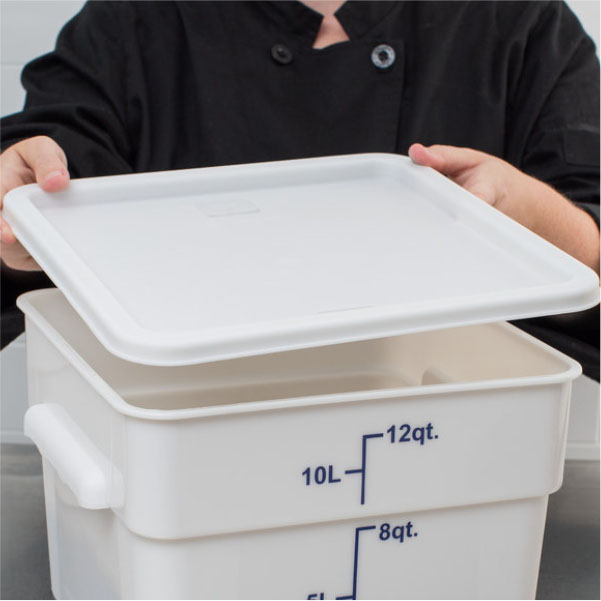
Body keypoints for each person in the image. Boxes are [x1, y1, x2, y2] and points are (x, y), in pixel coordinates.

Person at [0, 1, 599, 368]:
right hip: (194, 436)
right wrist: (22, 216)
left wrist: (523, 212)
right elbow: (48, 159)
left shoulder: (521, 23)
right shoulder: (134, 22)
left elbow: (591, 235)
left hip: (447, 442)